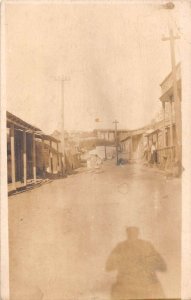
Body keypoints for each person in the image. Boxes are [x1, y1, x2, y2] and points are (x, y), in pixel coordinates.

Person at [106, 227, 166, 300]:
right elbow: (162, 266)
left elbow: (109, 267)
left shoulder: (120, 247)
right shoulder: (147, 245)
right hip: (145, 286)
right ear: (137, 233)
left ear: (127, 234)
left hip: (126, 286)